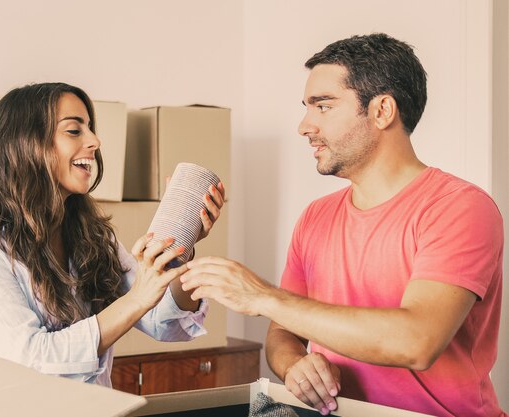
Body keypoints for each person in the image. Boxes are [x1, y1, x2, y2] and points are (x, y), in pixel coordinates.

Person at [180, 33, 506, 417]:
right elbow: (284, 333)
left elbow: (416, 341)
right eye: (307, 107)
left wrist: (262, 297)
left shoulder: (459, 207)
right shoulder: (315, 217)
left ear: (382, 111)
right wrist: (294, 365)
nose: (304, 126)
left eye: (323, 106)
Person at [0, 82, 225, 387]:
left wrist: (183, 242)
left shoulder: (89, 233)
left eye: (90, 129)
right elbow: (32, 360)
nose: (94, 141)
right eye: (74, 131)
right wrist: (135, 300)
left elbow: (163, 322)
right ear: (26, 143)